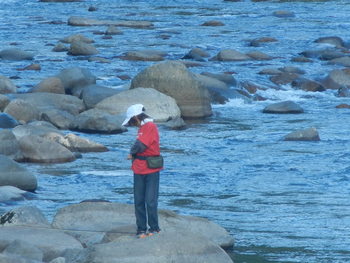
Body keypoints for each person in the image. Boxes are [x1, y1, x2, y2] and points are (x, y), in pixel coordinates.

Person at [122, 104, 163, 238]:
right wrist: (133, 156)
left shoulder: (150, 127)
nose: (132, 124)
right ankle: (141, 229)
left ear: (135, 117)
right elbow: (140, 145)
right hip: (139, 168)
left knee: (150, 200)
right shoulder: (142, 128)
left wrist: (131, 153)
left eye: (131, 121)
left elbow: (141, 145)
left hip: (151, 169)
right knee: (138, 200)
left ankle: (154, 228)